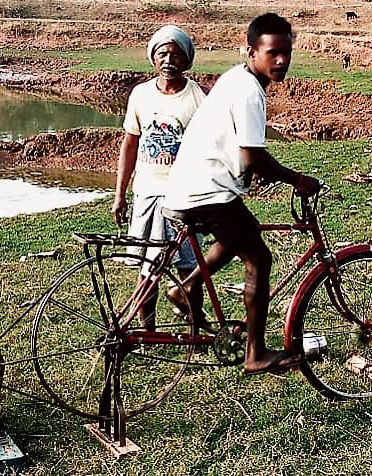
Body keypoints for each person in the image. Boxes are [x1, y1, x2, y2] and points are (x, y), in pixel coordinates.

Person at [163, 13, 322, 375]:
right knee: (259, 259)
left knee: (239, 234)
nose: (281, 60)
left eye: (286, 53)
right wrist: (297, 179)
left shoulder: (237, 77)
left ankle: (186, 287)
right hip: (207, 191)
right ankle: (255, 353)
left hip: (192, 187)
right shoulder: (250, 91)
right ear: (252, 52)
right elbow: (253, 156)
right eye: (272, 53)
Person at [111, 25, 207, 331]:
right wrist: (120, 194)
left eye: (176, 55)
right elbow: (130, 144)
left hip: (185, 197)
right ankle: (148, 330)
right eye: (162, 54)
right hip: (148, 194)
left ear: (186, 60)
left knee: (189, 267)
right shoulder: (141, 95)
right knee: (148, 269)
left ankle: (195, 329)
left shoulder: (197, 98)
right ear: (153, 58)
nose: (168, 61)